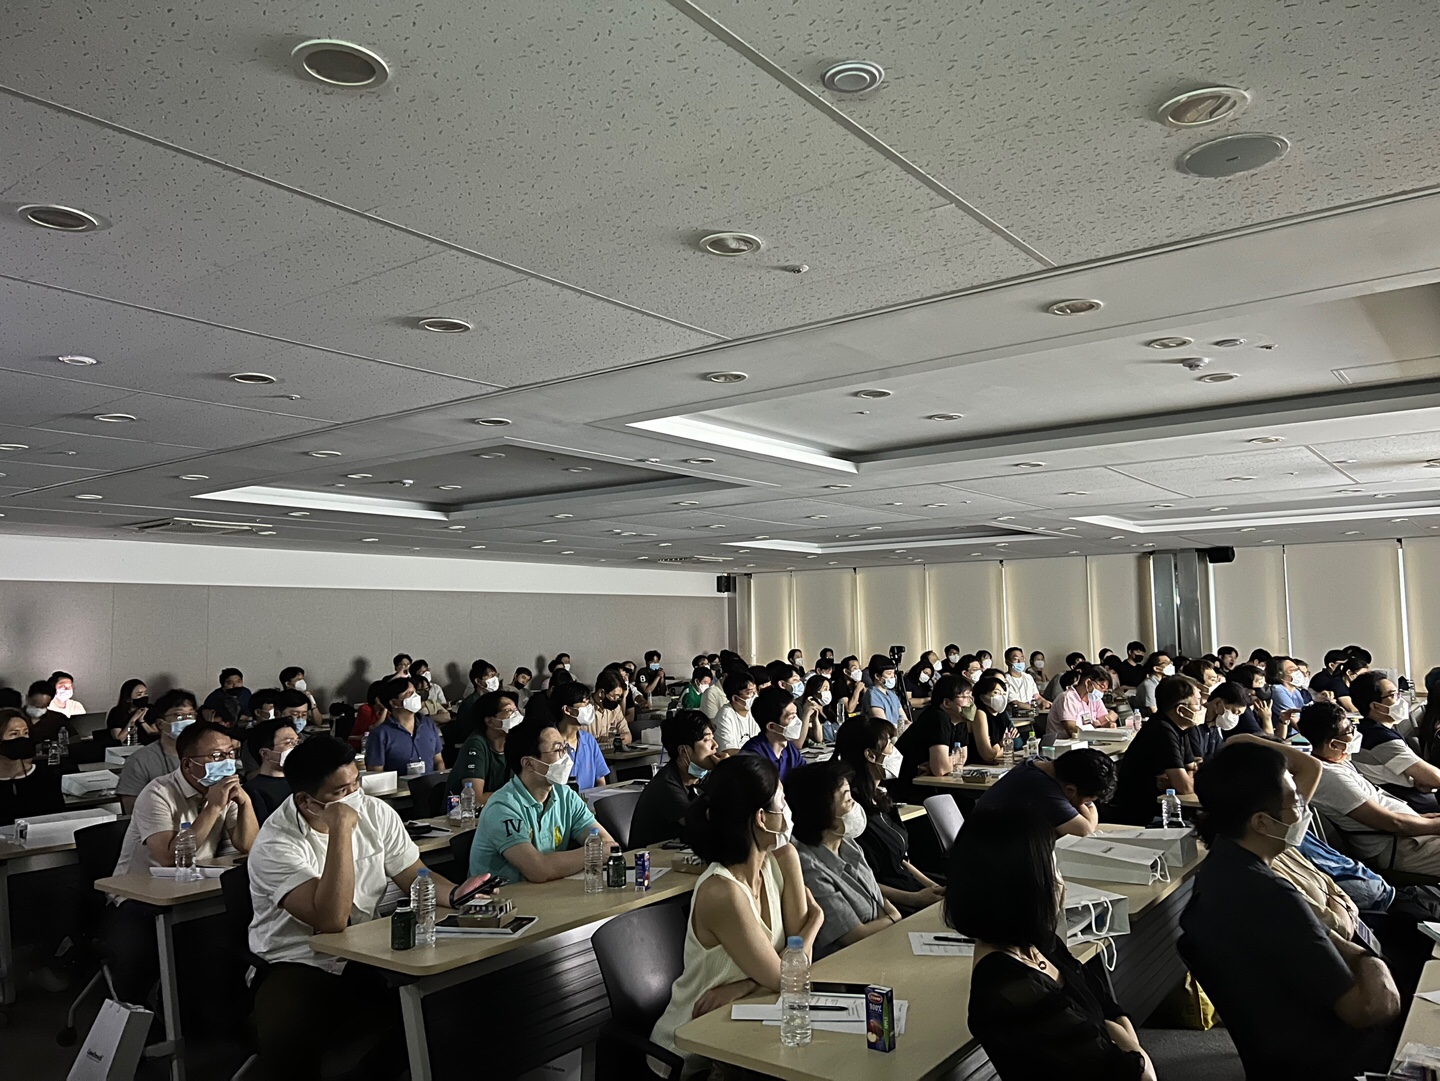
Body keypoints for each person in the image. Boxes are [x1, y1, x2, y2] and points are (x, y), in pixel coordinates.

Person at [1181, 738, 1399, 1079]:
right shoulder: (1269, 895)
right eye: (1296, 802)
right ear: (1261, 822)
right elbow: (1370, 1009)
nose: (1302, 811)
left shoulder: (1223, 867)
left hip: (1289, 1044)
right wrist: (1371, 957)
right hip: (1337, 1057)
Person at [246, 734, 459, 1079]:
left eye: (356, 783)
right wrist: (341, 830)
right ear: (307, 801)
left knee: (438, 1003)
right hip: (298, 958)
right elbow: (331, 920)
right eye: (341, 791)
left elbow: (415, 875)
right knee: (288, 1037)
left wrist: (459, 895)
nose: (355, 796)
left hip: (366, 948)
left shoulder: (377, 812)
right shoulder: (275, 844)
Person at [949, 809, 1154, 1081]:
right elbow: (1138, 1075)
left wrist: (1123, 1040)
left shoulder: (1039, 943)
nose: (1061, 881)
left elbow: (1107, 1006)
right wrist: (1129, 1045)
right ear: (1024, 887)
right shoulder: (1008, 987)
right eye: (1053, 869)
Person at [649, 755, 823, 1071]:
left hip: (749, 1028)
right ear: (761, 818)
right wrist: (815, 920)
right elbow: (788, 977)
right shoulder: (722, 892)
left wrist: (742, 986)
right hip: (693, 1053)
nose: (787, 810)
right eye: (782, 801)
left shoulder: (782, 858)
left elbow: (795, 969)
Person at [1300, 701, 1440, 875]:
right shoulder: (1331, 779)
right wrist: (1433, 825)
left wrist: (1421, 819)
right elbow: (1393, 823)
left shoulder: (1339, 762)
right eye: (1349, 730)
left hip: (1408, 834)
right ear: (1333, 744)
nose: (1356, 732)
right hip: (1398, 846)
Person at [469, 719, 615, 881]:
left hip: (549, 891)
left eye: (565, 748)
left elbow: (608, 844)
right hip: (504, 895)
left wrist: (599, 850)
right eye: (558, 750)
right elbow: (538, 869)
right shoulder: (502, 808)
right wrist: (595, 852)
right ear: (529, 764)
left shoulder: (566, 796)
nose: (566, 757)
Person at [113, 720, 258, 877]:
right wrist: (213, 807)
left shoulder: (225, 789)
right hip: (141, 885)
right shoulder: (157, 794)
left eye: (230, 754)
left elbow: (248, 846)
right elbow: (168, 859)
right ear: (188, 765)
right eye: (216, 756)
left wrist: (245, 803)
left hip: (196, 878)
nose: (227, 762)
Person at [788, 761, 901, 957]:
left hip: (885, 945)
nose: (854, 804)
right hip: (854, 960)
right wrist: (894, 917)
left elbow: (876, 897)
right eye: (847, 798)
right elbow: (855, 936)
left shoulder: (848, 844)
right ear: (822, 810)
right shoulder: (809, 869)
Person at [832, 715, 943, 913]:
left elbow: (899, 859)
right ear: (871, 755)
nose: (895, 750)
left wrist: (932, 886)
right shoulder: (852, 814)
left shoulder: (881, 798)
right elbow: (859, 879)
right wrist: (916, 899)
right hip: (889, 902)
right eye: (890, 745)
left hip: (910, 886)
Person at [1108, 675, 1200, 825]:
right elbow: (1185, 787)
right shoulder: (1162, 730)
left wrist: (1175, 780)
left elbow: (1191, 768)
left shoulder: (1180, 728)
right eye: (1198, 703)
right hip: (1139, 813)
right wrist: (1181, 780)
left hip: (1159, 806)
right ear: (1181, 710)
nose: (1201, 708)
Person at [1350, 671, 1440, 812]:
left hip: (1409, 795)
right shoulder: (1381, 739)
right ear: (1375, 706)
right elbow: (1435, 777)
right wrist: (1424, 778)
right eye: (1393, 695)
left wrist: (1420, 779)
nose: (1400, 700)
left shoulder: (1369, 730)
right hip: (1411, 805)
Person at [976, 747, 1116, 837]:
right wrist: (1085, 810)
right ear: (1070, 790)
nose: (1087, 805)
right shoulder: (1042, 789)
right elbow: (1085, 831)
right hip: (988, 853)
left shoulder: (1043, 765)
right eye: (1087, 801)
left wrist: (1082, 804)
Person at [630, 711, 720, 849]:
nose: (715, 745)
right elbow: (699, 824)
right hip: (651, 859)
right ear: (683, 751)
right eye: (706, 740)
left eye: (713, 738)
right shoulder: (665, 785)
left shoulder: (704, 776)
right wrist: (726, 774)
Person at [116, 689, 196, 814]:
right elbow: (132, 810)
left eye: (191, 715)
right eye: (179, 715)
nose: (187, 721)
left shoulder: (207, 755)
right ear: (160, 724)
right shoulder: (140, 761)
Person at [894, 674, 969, 799]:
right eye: (965, 697)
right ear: (946, 703)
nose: (970, 702)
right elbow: (941, 769)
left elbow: (963, 759)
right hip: (909, 786)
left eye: (971, 697)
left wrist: (943, 763)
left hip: (931, 784)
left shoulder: (960, 720)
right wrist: (950, 762)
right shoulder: (938, 718)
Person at [447, 690, 517, 805]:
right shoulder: (475, 744)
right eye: (508, 710)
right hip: (464, 813)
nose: (516, 715)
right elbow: (476, 799)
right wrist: (516, 795)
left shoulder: (515, 743)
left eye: (516, 710)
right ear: (489, 721)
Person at [364, 677, 444, 776]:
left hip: (431, 784)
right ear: (394, 703)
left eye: (415, 692)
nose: (416, 697)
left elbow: (438, 761)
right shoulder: (380, 734)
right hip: (399, 785)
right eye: (409, 694)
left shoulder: (428, 724)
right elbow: (376, 773)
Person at [0, 709, 64, 825]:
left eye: (25, 733)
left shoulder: (45, 778)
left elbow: (57, 819)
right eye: (14, 734)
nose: (22, 738)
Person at [244, 719, 302, 825]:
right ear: (265, 753)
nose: (296, 747)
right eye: (289, 743)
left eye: (297, 742)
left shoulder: (303, 780)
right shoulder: (252, 791)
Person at [740, 687, 805, 780]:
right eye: (791, 717)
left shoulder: (789, 749)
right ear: (772, 727)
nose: (797, 721)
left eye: (796, 715)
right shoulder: (752, 757)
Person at [1046, 665, 1106, 742]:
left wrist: (1109, 725)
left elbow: (1105, 720)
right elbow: (1072, 730)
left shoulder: (1094, 698)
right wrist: (1095, 732)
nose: (1103, 692)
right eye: (1101, 687)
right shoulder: (1067, 698)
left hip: (1086, 741)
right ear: (1088, 682)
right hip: (1063, 744)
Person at [1191, 680, 1248, 761]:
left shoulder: (1215, 730)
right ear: (1218, 703)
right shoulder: (1193, 724)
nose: (1235, 718)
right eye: (1234, 712)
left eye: (1239, 715)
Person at [970, 672, 1018, 765]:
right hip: (976, 765)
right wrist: (1000, 745)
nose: (1001, 697)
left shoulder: (1001, 714)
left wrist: (997, 749)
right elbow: (987, 755)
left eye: (1003, 694)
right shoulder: (980, 713)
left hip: (995, 763)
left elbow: (1009, 749)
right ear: (983, 697)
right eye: (996, 693)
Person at [713, 671, 759, 752]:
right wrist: (757, 755)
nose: (754, 696)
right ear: (735, 698)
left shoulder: (754, 712)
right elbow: (728, 750)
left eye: (755, 692)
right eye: (749, 693)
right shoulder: (725, 716)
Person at [1225, 663, 1273, 737]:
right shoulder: (1242, 711)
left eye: (1264, 682)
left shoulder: (1254, 708)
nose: (1264, 686)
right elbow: (1268, 740)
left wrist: (1283, 722)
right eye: (1260, 682)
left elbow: (1279, 738)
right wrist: (1267, 719)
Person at [106, 678, 156, 745]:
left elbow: (155, 734)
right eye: (139, 694)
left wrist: (142, 721)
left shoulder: (149, 709)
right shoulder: (117, 712)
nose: (144, 697)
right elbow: (119, 740)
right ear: (128, 698)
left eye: (145, 693)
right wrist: (133, 719)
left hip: (147, 747)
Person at [22, 680, 73, 744]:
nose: (38, 709)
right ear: (27, 698)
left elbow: (74, 740)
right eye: (34, 705)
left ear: (49, 703)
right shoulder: (16, 717)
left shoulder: (58, 719)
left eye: (42, 707)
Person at [592, 669, 634, 747]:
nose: (616, 700)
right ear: (601, 693)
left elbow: (628, 736)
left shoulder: (616, 709)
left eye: (619, 697)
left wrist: (614, 739)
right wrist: (596, 741)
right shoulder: (585, 709)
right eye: (614, 697)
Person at [859, 654, 904, 726]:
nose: (892, 677)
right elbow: (883, 725)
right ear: (877, 676)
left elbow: (904, 720)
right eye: (889, 673)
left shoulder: (892, 695)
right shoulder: (872, 695)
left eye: (893, 673)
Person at [1267, 656, 1308, 734]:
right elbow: (1295, 721)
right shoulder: (1278, 690)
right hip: (1289, 736)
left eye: (1297, 669)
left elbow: (1305, 716)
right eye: (1292, 670)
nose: (1298, 673)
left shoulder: (1295, 691)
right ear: (1279, 675)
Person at [350, 680, 388, 751]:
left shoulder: (388, 712)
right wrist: (385, 708)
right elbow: (373, 729)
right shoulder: (365, 709)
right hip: (360, 747)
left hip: (378, 746)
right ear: (377, 698)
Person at [1134, 651, 1173, 718]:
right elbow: (1153, 711)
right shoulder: (1149, 684)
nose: (1171, 666)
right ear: (1156, 668)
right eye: (1167, 663)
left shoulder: (1164, 682)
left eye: (1171, 663)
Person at [795, 673, 832, 745]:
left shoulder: (828, 709)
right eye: (825, 688)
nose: (827, 692)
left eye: (829, 689)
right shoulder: (806, 708)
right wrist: (814, 716)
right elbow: (818, 738)